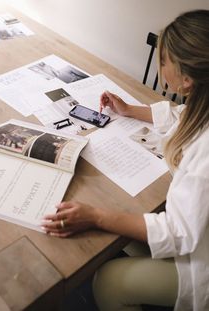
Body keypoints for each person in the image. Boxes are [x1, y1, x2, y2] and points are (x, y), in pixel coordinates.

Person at [41, 10, 209, 311]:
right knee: (123, 233)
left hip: (201, 261)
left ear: (186, 79)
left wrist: (96, 216)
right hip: (194, 229)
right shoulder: (202, 105)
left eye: (164, 61)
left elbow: (178, 233)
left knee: (108, 281)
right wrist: (129, 109)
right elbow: (181, 115)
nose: (161, 68)